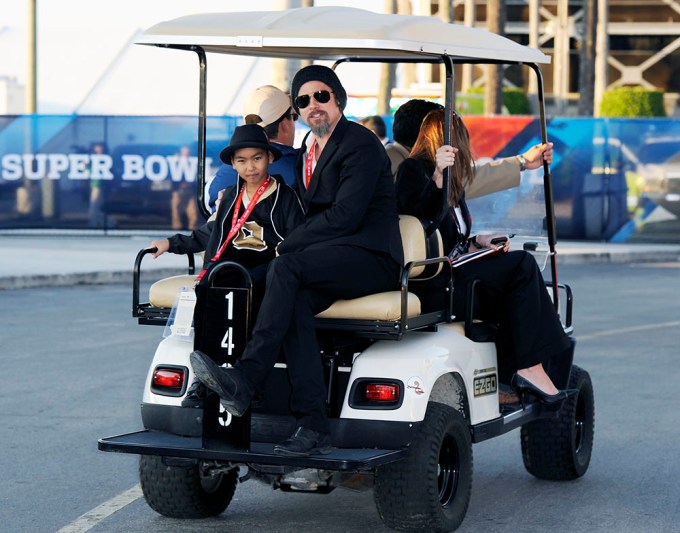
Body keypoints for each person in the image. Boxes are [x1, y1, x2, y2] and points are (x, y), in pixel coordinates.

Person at [190, 64, 403, 457]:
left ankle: (247, 378)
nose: (313, 106)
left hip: (370, 258)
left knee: (282, 266)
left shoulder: (359, 143)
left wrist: (286, 245)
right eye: (303, 101)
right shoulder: (308, 149)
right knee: (292, 303)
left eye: (321, 96)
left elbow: (346, 216)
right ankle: (311, 424)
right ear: (297, 110)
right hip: (330, 259)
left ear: (339, 98)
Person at [395, 107, 573, 406]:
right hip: (435, 281)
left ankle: (512, 374)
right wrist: (438, 176)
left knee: (515, 277)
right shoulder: (415, 170)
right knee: (522, 266)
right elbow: (417, 219)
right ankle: (531, 367)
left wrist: (477, 241)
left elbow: (452, 233)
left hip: (454, 269)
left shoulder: (452, 179)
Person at [151, 124, 304, 320]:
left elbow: (296, 239)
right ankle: (205, 348)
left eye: (257, 158)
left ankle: (245, 347)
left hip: (265, 268)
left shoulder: (285, 196)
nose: (250, 167)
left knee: (252, 285)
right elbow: (212, 231)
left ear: (270, 157)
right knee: (209, 281)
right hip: (230, 264)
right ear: (233, 164)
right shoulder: (231, 195)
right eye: (242, 161)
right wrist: (171, 243)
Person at [386, 98, 551, 184]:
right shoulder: (400, 167)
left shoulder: (404, 160)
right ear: (429, 133)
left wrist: (522, 161)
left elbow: (467, 178)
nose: (451, 141)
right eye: (444, 130)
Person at [207, 85, 299, 209]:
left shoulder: (227, 168)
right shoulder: (301, 165)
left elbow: (211, 204)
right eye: (294, 116)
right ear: (284, 125)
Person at [170, 145, 199, 230]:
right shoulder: (175, 163)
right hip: (177, 191)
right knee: (175, 210)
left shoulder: (194, 163)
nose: (186, 155)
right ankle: (176, 229)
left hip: (191, 191)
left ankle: (192, 230)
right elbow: (171, 178)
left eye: (187, 153)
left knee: (192, 211)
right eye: (184, 153)